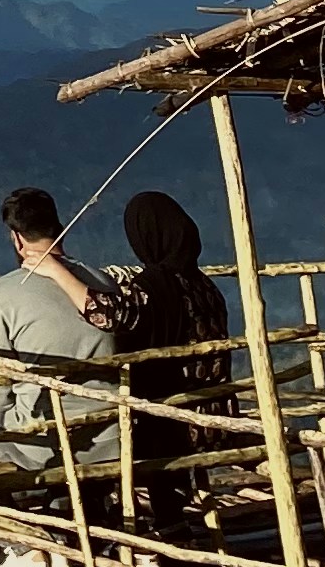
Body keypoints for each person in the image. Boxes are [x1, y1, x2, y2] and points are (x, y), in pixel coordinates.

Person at [44, 190, 235, 531]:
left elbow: (106, 313)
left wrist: (56, 271)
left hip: (173, 424)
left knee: (95, 439)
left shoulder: (156, 286)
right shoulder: (204, 285)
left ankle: (97, 521)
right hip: (213, 415)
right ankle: (169, 518)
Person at [0, 185, 116, 567]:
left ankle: (26, 549)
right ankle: (67, 531)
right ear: (59, 227)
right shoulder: (100, 282)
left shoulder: (4, 294)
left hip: (51, 439)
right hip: (113, 435)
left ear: (16, 238)